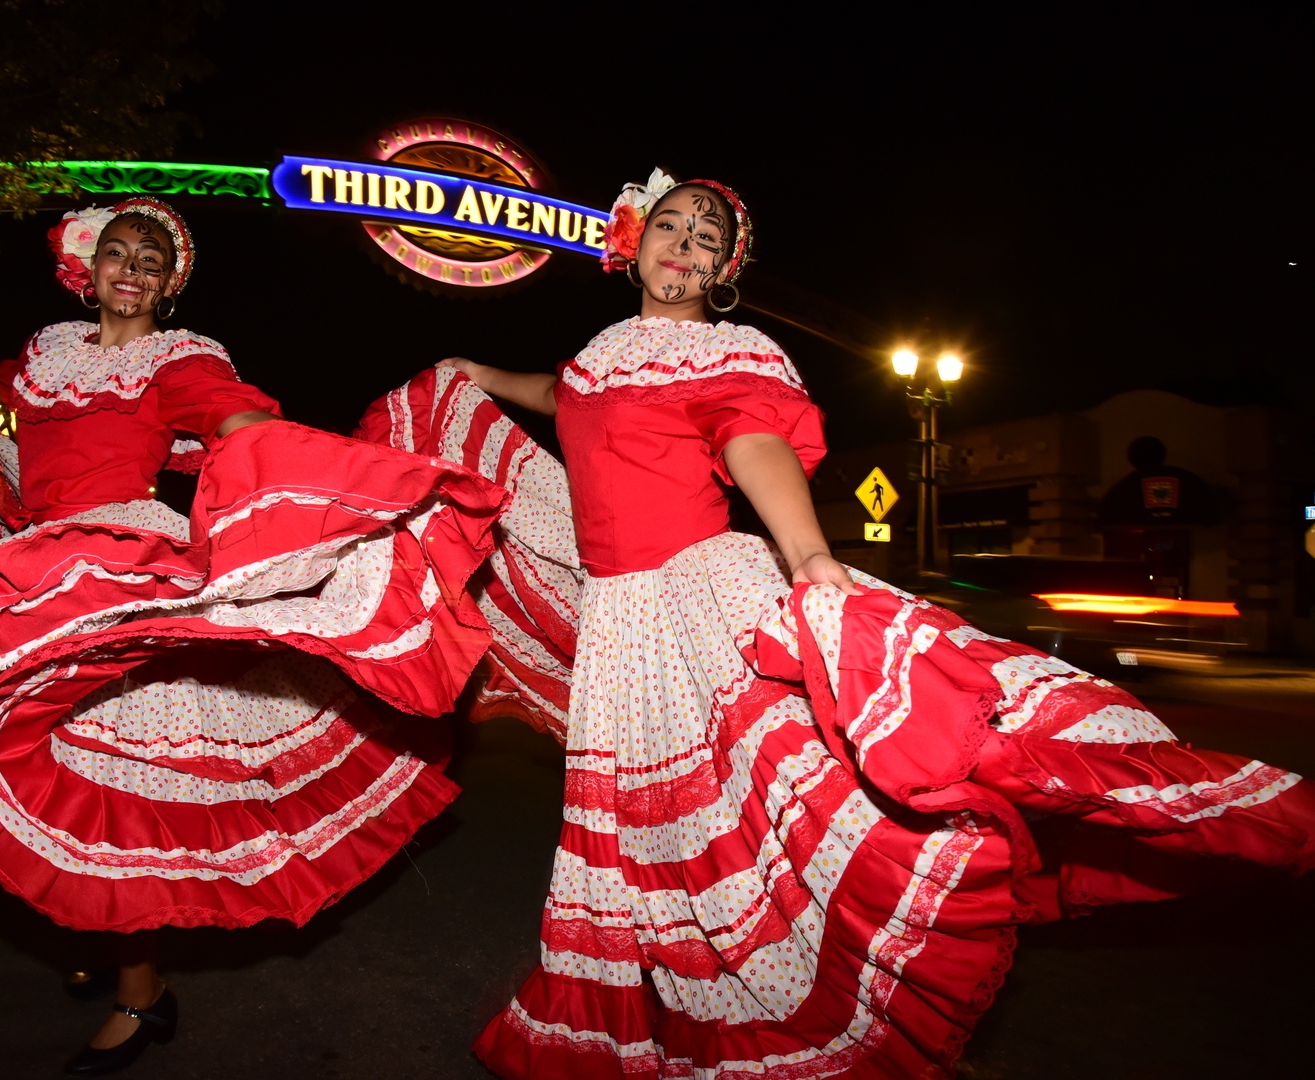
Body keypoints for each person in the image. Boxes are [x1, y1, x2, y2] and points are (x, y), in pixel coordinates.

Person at [364, 169, 1315, 1079]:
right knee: (638, 827)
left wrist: (808, 553)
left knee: (766, 799)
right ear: (634, 239)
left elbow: (752, 438)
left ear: (723, 272)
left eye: (707, 238)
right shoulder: (598, 354)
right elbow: (560, 397)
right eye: (672, 224)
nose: (685, 244)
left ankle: (806, 987)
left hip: (691, 597)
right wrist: (479, 373)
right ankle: (649, 1010)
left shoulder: (722, 353)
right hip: (619, 621)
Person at [0, 198, 504, 1076]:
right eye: (118, 252)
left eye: (151, 261)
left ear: (167, 286)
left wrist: (340, 477)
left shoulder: (179, 358)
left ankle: (140, 992)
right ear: (87, 270)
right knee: (34, 749)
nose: (132, 268)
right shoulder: (49, 352)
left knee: (110, 786)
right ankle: (103, 939)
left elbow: (237, 419)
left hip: (121, 568)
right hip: (44, 562)